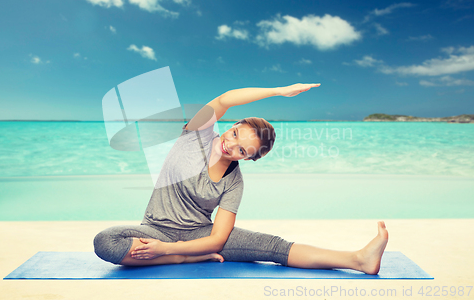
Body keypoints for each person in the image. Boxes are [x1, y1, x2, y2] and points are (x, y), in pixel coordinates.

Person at [94, 83, 388, 274]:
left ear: (248, 158)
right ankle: (184, 259)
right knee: (105, 242)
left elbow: (218, 238)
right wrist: (278, 91)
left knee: (273, 247)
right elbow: (225, 99)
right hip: (156, 229)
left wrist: (166, 250)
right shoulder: (195, 135)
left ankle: (358, 259)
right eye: (234, 134)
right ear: (232, 124)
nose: (230, 145)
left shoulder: (234, 182)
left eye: (242, 149)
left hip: (201, 237)